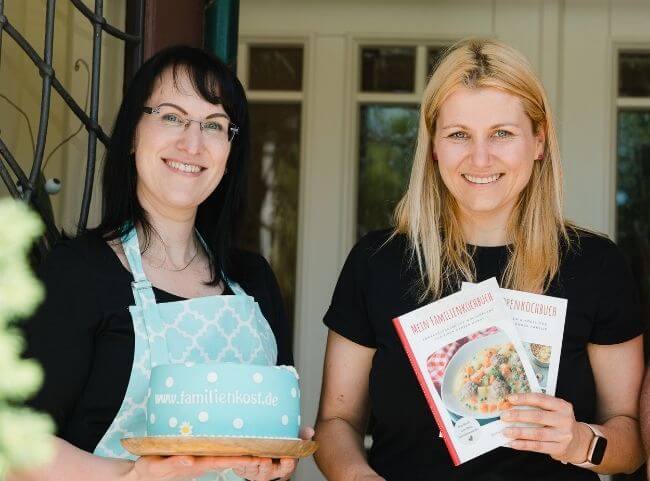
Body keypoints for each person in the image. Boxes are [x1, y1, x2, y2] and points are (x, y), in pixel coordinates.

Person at [314, 38, 645, 481]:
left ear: (539, 141)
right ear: (433, 146)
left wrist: (581, 441)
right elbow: (336, 422)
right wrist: (357, 476)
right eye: (458, 135)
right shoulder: (378, 263)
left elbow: (633, 441)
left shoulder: (596, 266)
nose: (480, 157)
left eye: (502, 133)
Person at [12, 45, 306, 481]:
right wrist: (132, 478)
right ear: (133, 132)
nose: (192, 142)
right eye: (171, 116)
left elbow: (267, 443)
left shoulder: (254, 280)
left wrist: (275, 461)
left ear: (229, 149)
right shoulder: (77, 275)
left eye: (214, 124)